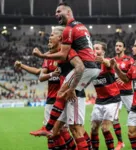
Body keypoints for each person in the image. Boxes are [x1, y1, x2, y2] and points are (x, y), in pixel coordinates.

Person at [32, 4, 100, 147]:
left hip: (84, 70)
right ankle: (48, 128)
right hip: (88, 69)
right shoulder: (79, 27)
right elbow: (40, 72)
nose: (49, 38)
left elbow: (78, 65)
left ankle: (47, 127)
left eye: (58, 11)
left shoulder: (69, 33)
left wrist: (41, 55)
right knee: (61, 131)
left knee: (76, 128)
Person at [16, 26, 76, 149]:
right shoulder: (48, 58)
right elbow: (40, 75)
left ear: (60, 38)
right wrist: (22, 66)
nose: (48, 39)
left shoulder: (67, 54)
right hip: (51, 100)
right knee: (59, 132)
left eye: (51, 37)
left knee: (58, 131)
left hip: (63, 98)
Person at [90, 41, 121, 150]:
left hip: (112, 100)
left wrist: (103, 60)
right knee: (93, 128)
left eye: (97, 48)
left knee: (105, 128)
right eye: (94, 48)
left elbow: (110, 63)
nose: (95, 51)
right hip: (99, 101)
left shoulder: (107, 63)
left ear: (103, 51)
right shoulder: (91, 66)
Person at [114, 40, 136, 148]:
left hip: (127, 93)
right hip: (115, 93)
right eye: (116, 46)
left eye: (120, 46)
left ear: (124, 48)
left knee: (133, 116)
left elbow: (135, 73)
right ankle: (120, 142)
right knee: (114, 118)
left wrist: (125, 79)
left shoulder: (129, 60)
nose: (117, 47)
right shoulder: (112, 61)